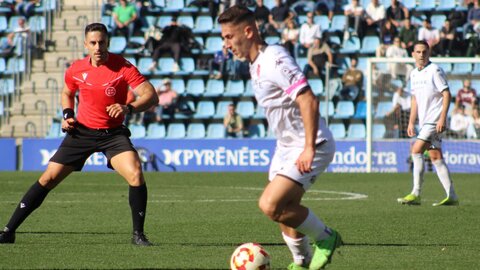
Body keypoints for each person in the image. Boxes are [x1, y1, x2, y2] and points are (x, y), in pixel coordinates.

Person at [0, 23, 159, 245]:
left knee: (135, 174)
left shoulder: (123, 67)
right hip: (81, 133)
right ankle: (8, 231)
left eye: (101, 42)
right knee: (48, 178)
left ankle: (138, 235)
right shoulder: (76, 69)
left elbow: (151, 96)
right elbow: (67, 92)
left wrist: (128, 108)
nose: (97, 47)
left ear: (108, 43)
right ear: (86, 44)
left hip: (113, 134)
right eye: (93, 43)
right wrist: (67, 115)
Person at [218, 6, 341, 269]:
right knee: (285, 209)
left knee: (270, 205)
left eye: (229, 37)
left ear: (248, 31)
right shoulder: (256, 63)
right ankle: (301, 261)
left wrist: (308, 148)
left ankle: (326, 237)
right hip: (286, 146)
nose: (226, 44)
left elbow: (308, 99)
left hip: (311, 142)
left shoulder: (273, 58)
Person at [397, 40, 459, 207]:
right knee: (435, 157)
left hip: (434, 120)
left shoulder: (435, 70)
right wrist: (411, 122)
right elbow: (415, 99)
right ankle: (452, 196)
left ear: (429, 53)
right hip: (425, 121)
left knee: (416, 151)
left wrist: (442, 118)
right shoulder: (414, 74)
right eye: (418, 52)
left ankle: (416, 193)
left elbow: (446, 94)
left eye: (424, 51)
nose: (421, 55)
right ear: (413, 54)